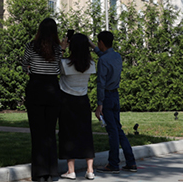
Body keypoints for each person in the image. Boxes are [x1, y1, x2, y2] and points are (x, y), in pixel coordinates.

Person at [22, 17, 63, 182]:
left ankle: (39, 173)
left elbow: (24, 64)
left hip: (36, 89)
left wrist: (31, 70)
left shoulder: (31, 46)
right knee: (50, 133)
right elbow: (59, 68)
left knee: (37, 133)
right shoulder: (57, 48)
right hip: (53, 89)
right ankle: (52, 171)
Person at [94, 30, 137, 173]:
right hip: (115, 96)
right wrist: (91, 45)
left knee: (112, 132)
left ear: (101, 42)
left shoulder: (102, 61)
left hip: (106, 97)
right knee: (118, 130)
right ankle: (130, 161)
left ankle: (113, 163)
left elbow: (101, 83)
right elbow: (104, 56)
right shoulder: (117, 56)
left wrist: (99, 104)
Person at [58, 33, 96, 181]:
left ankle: (71, 170)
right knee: (86, 133)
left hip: (67, 100)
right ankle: (90, 170)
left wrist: (62, 48)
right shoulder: (91, 64)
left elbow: (55, 66)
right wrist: (91, 43)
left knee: (68, 134)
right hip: (83, 100)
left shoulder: (65, 64)